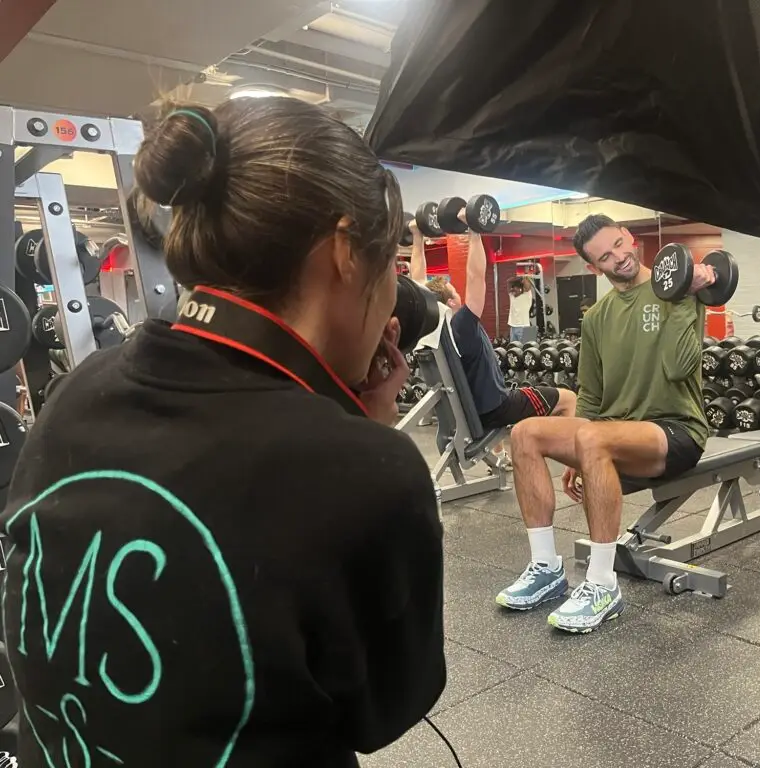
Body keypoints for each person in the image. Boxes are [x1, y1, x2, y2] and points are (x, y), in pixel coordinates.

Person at [0, 98, 445, 767]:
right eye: (392, 268)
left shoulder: (75, 392)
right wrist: (364, 444)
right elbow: (383, 712)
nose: (391, 301)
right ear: (347, 251)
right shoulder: (365, 471)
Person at [495, 213, 713, 633]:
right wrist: (576, 457)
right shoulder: (596, 318)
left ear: (629, 236)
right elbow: (591, 395)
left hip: (676, 431)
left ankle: (601, 584)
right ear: (594, 267)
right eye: (605, 256)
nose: (618, 257)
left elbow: (678, 367)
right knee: (524, 432)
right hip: (611, 432)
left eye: (618, 244)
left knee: (593, 438)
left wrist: (686, 296)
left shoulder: (678, 293)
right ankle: (545, 568)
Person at [408, 218, 576, 427]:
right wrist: (474, 230)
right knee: (569, 399)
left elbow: (417, 283)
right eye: (455, 292)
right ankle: (568, 453)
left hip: (472, 409)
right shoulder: (461, 324)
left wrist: (417, 235)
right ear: (451, 302)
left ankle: (499, 453)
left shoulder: (430, 329)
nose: (459, 293)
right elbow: (476, 276)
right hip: (495, 408)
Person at [507, 276, 535, 342]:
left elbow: (528, 286)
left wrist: (524, 276)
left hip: (524, 327)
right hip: (513, 327)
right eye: (512, 288)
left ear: (520, 289)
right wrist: (518, 278)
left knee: (527, 349)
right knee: (514, 350)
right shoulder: (512, 295)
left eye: (515, 288)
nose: (513, 290)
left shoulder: (526, 294)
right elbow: (508, 282)